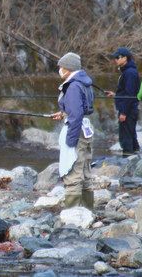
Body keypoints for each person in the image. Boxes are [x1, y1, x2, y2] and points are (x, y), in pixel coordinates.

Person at [51, 52, 94, 210]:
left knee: (73, 172)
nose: (60, 70)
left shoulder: (74, 85)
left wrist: (70, 140)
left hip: (76, 130)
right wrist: (63, 113)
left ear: (68, 68)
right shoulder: (84, 82)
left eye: (61, 67)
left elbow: (76, 114)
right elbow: (82, 109)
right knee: (85, 171)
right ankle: (88, 210)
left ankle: (72, 213)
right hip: (85, 128)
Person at [105, 47, 140, 157]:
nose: (116, 60)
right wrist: (115, 95)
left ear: (125, 58)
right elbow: (127, 92)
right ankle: (135, 157)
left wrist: (123, 112)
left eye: (118, 57)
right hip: (130, 108)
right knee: (131, 135)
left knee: (126, 138)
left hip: (128, 110)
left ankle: (128, 160)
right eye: (115, 58)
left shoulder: (129, 73)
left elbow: (130, 95)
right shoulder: (128, 71)